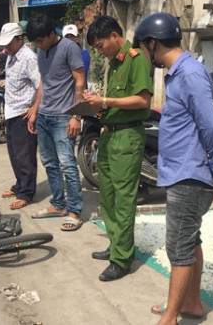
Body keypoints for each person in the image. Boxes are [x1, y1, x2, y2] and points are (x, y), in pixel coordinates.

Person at [134, 12, 213, 324]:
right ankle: (192, 304)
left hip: (191, 175)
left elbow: (212, 126)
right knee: (190, 239)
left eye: (144, 47)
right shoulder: (179, 72)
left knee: (179, 246)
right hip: (184, 172)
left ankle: (170, 317)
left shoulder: (190, 74)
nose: (144, 54)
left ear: (152, 43)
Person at [83, 16, 153, 281]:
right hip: (109, 135)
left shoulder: (136, 60)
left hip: (127, 137)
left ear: (114, 35)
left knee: (124, 199)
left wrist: (104, 99)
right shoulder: (113, 64)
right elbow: (114, 102)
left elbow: (141, 100)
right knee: (108, 195)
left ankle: (122, 259)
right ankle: (116, 246)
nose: (99, 50)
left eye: (100, 45)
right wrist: (97, 104)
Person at [25, 14, 85, 231]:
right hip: (44, 116)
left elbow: (80, 81)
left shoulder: (70, 48)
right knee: (49, 163)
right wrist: (35, 109)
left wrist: (76, 115)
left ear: (52, 34)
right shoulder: (41, 50)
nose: (38, 45)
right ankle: (58, 204)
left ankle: (74, 210)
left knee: (68, 164)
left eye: (41, 40)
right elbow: (43, 82)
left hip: (63, 117)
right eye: (35, 42)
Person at [0, 22, 39, 210]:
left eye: (9, 43)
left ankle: (26, 192)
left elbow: (41, 85)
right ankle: (19, 184)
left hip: (23, 112)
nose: (6, 47)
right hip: (10, 110)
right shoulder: (11, 56)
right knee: (14, 153)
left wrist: (34, 110)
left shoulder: (29, 58)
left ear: (20, 39)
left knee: (25, 155)